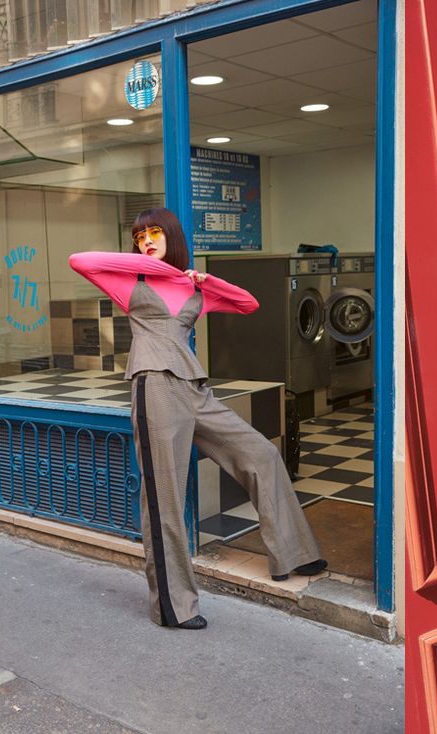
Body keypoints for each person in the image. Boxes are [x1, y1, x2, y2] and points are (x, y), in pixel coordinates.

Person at [70, 207, 326, 630]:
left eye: (155, 233)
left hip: (194, 389)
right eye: (139, 236)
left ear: (173, 235)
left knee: (260, 454)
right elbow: (81, 261)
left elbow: (248, 303)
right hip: (154, 387)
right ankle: (174, 606)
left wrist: (204, 279)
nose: (146, 240)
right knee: (165, 498)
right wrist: (150, 264)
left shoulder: (193, 289)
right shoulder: (128, 281)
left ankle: (293, 555)